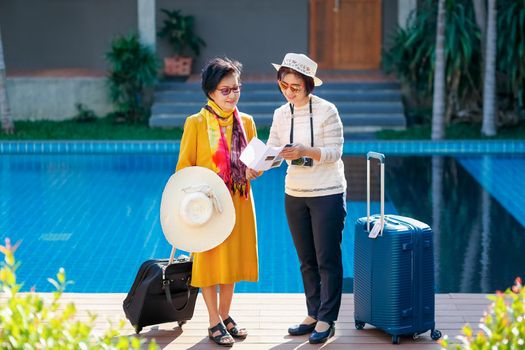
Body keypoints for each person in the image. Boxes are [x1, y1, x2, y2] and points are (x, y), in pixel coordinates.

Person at [176, 57, 260, 347]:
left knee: (232, 259)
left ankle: (225, 314)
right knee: (210, 260)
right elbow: (183, 170)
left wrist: (255, 170)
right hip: (207, 207)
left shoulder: (246, 122)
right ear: (211, 91)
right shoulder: (196, 123)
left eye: (236, 88)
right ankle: (213, 319)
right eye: (226, 90)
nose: (233, 95)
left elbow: (252, 164)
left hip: (238, 200)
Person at [266, 53, 347, 344]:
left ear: (309, 85)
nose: (288, 91)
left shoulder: (327, 111)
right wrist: (259, 164)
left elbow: (334, 153)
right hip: (295, 193)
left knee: (328, 258)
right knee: (306, 260)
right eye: (283, 84)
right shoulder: (280, 114)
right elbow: (274, 149)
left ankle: (327, 318)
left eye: (295, 86)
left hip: (327, 192)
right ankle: (313, 313)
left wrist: (305, 150)